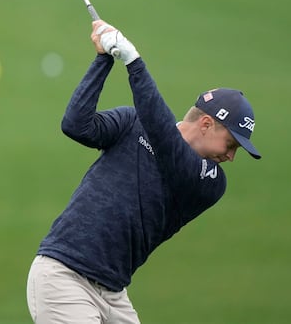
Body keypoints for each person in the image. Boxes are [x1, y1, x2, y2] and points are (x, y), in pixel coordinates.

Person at [26, 20, 261, 324]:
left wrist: (134, 62)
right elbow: (76, 125)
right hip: (64, 275)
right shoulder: (132, 122)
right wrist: (104, 59)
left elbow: (167, 143)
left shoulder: (209, 182)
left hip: (112, 294)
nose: (230, 156)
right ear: (205, 124)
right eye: (231, 144)